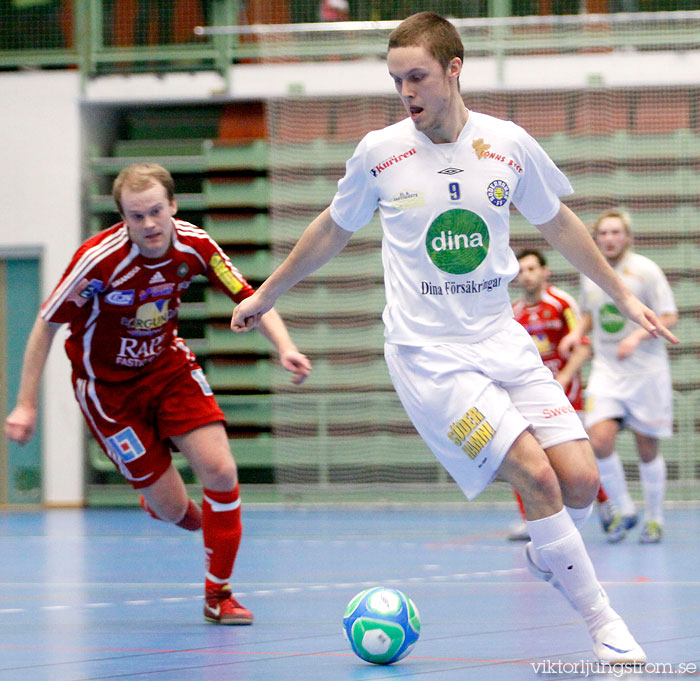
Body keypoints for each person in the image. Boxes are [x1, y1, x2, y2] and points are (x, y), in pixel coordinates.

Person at [230, 12, 678, 664]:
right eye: (396, 79)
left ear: (453, 70)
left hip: (502, 339)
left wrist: (625, 294)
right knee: (536, 476)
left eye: (417, 77)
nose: (405, 91)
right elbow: (331, 228)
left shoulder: (508, 144)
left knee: (581, 481)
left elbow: (558, 226)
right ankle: (606, 622)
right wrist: (266, 293)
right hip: (428, 357)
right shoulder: (380, 152)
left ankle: (553, 556)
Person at [4, 163, 311, 625]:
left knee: (221, 470)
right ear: (122, 218)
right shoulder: (97, 261)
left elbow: (249, 296)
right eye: (135, 216)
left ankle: (218, 596)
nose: (147, 225)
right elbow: (46, 325)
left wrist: (285, 347)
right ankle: (161, 500)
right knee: (177, 512)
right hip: (107, 392)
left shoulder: (196, 245)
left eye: (154, 212)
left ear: (172, 206)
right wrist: (26, 403)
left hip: (167, 368)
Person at [561, 210, 677, 545]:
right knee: (598, 439)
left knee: (646, 447)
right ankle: (625, 508)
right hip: (607, 370)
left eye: (615, 232)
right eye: (603, 233)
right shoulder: (591, 271)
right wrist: (576, 334)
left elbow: (669, 315)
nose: (609, 239)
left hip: (646, 372)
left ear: (627, 237)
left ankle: (654, 519)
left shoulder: (645, 271)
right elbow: (588, 314)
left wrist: (637, 336)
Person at [507, 249, 615, 541]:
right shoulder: (513, 312)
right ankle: (533, 519)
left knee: (576, 460)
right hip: (529, 395)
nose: (525, 275)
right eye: (521, 270)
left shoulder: (561, 303)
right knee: (524, 453)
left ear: (545, 272)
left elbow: (583, 346)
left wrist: (565, 378)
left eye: (531, 268)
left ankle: (606, 504)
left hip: (566, 393)